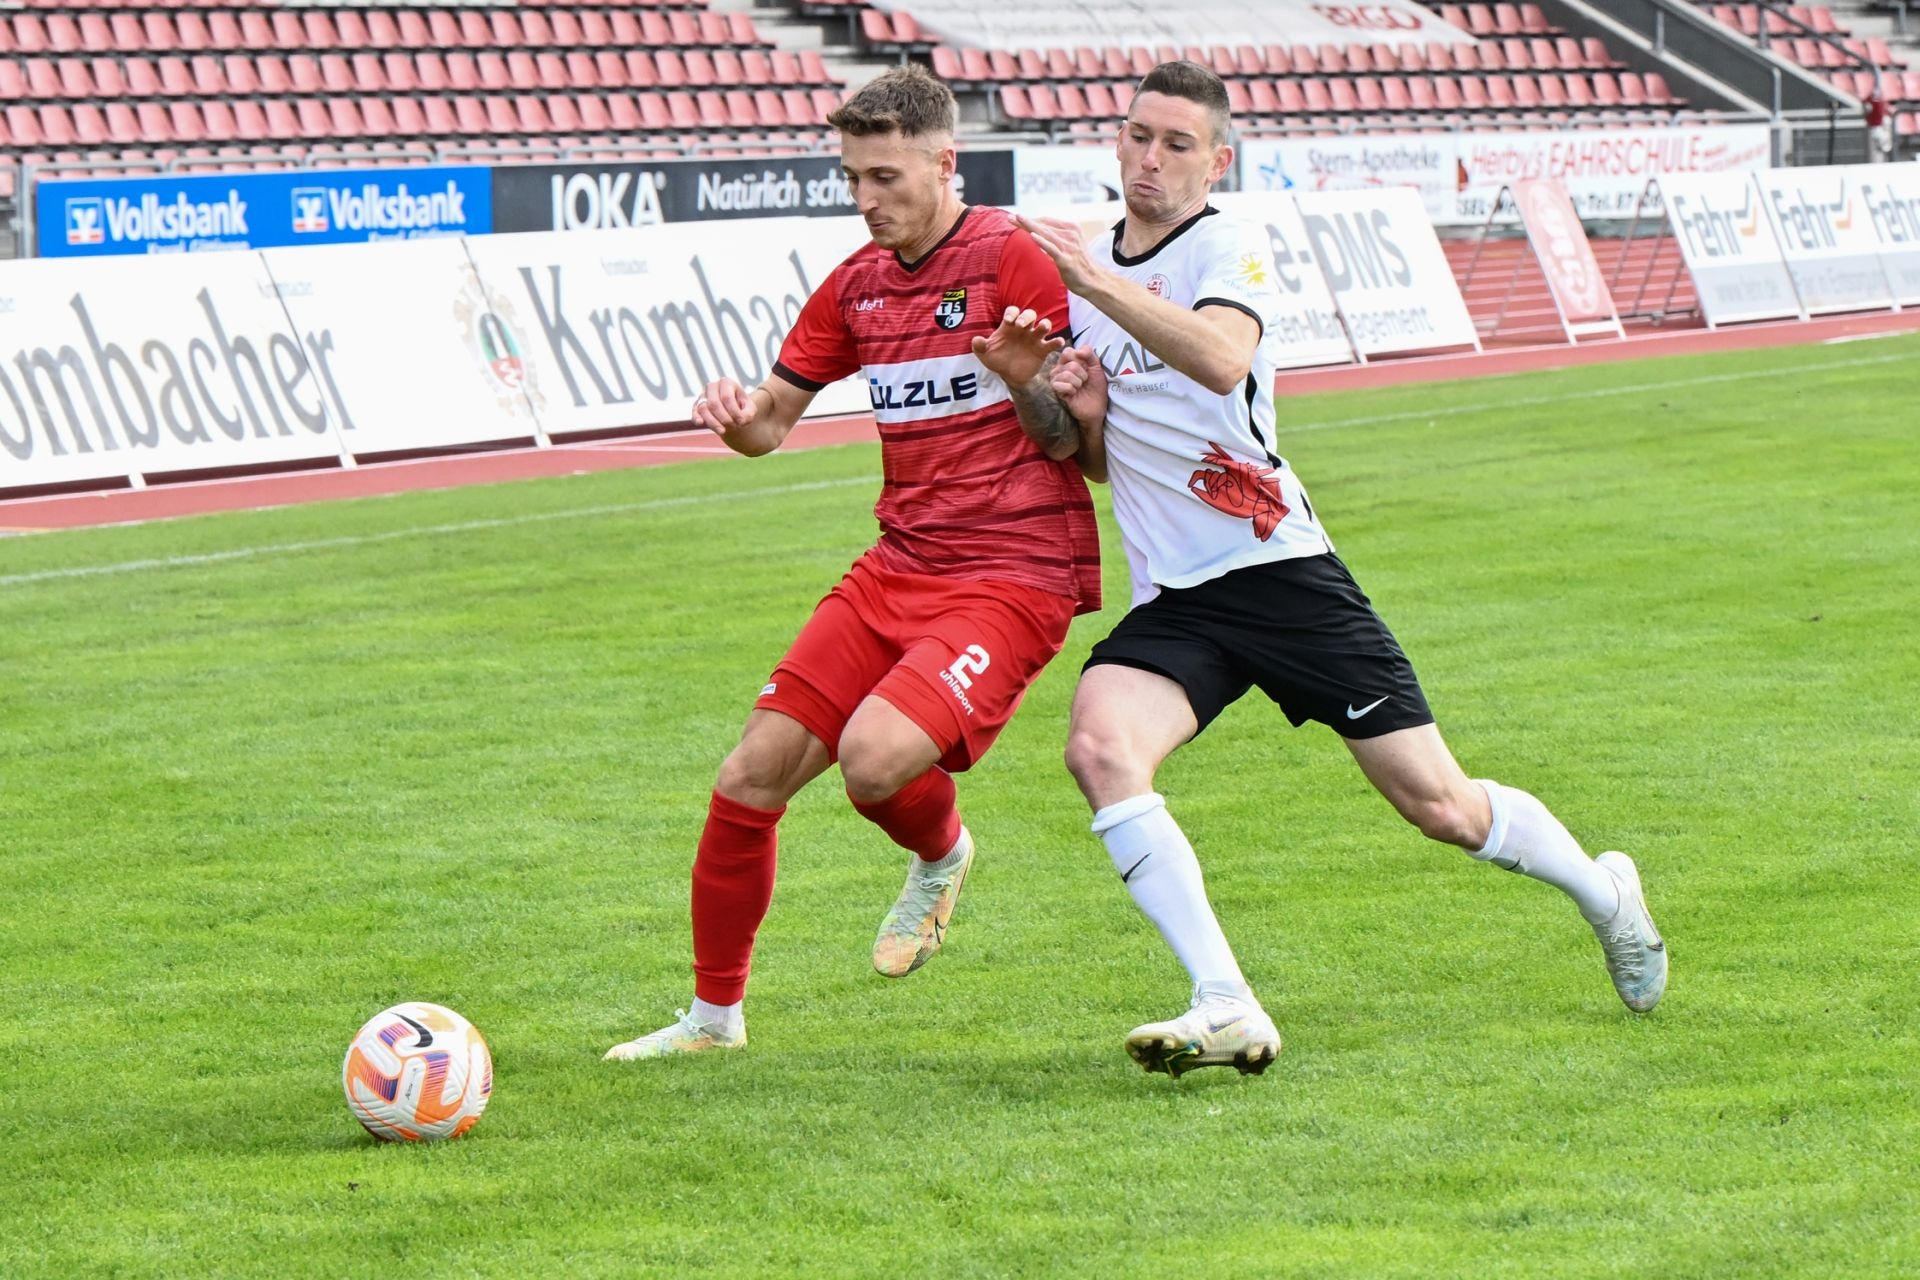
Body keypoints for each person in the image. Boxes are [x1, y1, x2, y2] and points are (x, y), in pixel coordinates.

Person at [1011, 60, 1667, 1079]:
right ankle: (1226, 1000)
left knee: (1441, 806)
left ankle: (1605, 892)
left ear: (1217, 161)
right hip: (1177, 597)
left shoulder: (1222, 245)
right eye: (1139, 135)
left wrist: (1097, 286)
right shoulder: (1090, 269)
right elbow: (1098, 460)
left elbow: (1222, 359)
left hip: (1277, 570)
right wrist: (1065, 401)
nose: (1150, 158)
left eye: (1177, 144)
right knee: (1100, 748)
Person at [605, 65, 1102, 1061]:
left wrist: (1021, 381)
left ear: (944, 163)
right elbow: (769, 426)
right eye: (853, 178)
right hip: (900, 563)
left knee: (875, 763)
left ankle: (942, 851)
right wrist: (736, 416)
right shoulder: (857, 284)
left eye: (885, 176)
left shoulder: (1014, 258)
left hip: (1013, 572)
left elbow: (1072, 444)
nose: (867, 199)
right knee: (749, 775)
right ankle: (712, 1022)